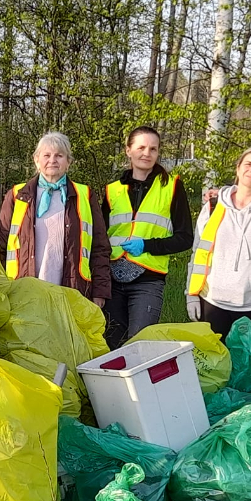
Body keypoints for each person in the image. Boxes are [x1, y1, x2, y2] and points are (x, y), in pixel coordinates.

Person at [102, 125, 195, 347]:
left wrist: (147, 245)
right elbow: (99, 237)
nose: (147, 153)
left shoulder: (171, 187)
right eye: (141, 147)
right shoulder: (112, 190)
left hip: (148, 280)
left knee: (139, 345)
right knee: (112, 345)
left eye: (153, 149)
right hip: (112, 278)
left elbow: (185, 238)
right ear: (128, 150)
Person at [0, 131, 112, 303]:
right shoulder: (17, 195)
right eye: (47, 155)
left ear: (68, 162)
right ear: (36, 160)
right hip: (22, 290)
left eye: (59, 155)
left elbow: (100, 247)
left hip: (73, 290)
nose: (52, 160)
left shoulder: (84, 195)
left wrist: (100, 292)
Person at [185, 145, 251, 339]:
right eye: (248, 164)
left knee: (248, 368)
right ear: (238, 168)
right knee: (215, 367)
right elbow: (198, 252)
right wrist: (191, 294)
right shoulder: (214, 205)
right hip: (211, 302)